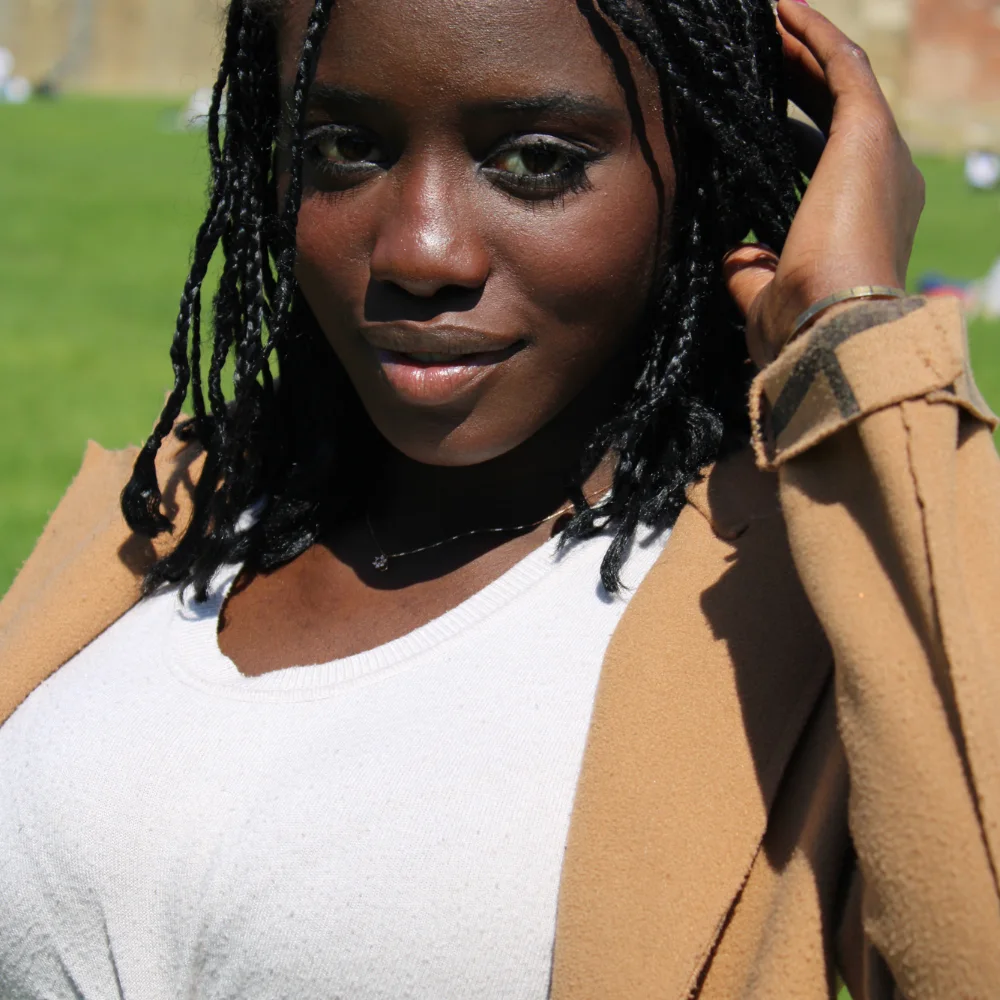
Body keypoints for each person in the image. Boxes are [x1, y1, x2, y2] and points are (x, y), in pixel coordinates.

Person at [0, 0, 997, 996]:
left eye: (535, 161)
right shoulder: (175, 509)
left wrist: (850, 336)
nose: (420, 252)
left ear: (701, 165)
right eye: (343, 147)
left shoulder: (804, 606)